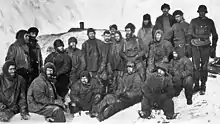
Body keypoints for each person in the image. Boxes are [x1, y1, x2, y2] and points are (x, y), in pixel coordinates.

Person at [188, 5, 218, 95]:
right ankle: (196, 85)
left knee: (204, 67)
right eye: (200, 11)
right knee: (195, 67)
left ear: (205, 12)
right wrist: (190, 45)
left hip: (206, 47)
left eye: (203, 12)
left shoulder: (210, 22)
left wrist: (213, 46)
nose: (201, 13)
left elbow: (215, 35)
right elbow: (189, 34)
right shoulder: (194, 21)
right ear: (198, 12)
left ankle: (203, 85)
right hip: (195, 47)